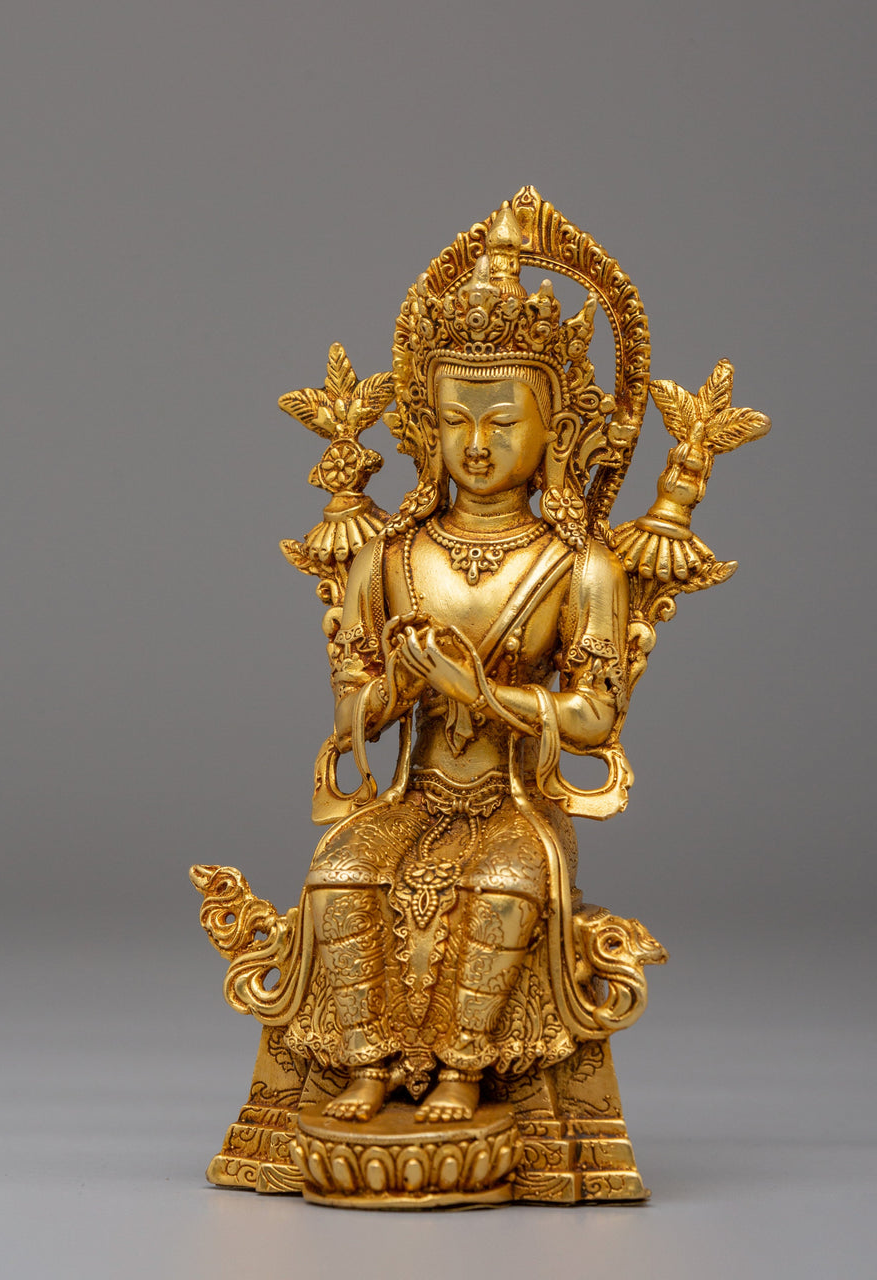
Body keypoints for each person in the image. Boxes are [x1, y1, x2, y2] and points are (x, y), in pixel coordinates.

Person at [296, 206, 631, 1123]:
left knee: (505, 886)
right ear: (425, 429)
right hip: (415, 794)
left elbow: (596, 716)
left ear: (556, 430)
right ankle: (367, 1064)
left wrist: (482, 694)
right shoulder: (388, 558)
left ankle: (465, 1071)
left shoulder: (582, 567)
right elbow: (350, 717)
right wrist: (398, 687)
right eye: (454, 421)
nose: (476, 446)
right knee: (339, 872)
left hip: (514, 801)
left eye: (502, 421)